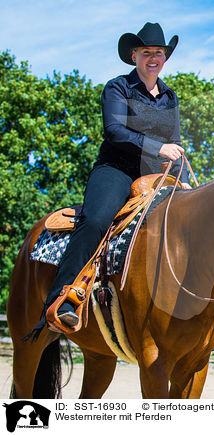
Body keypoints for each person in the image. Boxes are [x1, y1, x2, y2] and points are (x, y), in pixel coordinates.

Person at [30, 22, 190, 338]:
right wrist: (159, 147)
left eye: (158, 52)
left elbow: (175, 144)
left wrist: (182, 179)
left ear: (165, 57)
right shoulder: (117, 88)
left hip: (158, 176)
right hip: (116, 169)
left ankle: (206, 312)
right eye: (147, 52)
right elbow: (115, 132)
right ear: (134, 56)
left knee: (197, 220)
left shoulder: (170, 97)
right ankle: (63, 298)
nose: (153, 58)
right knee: (96, 220)